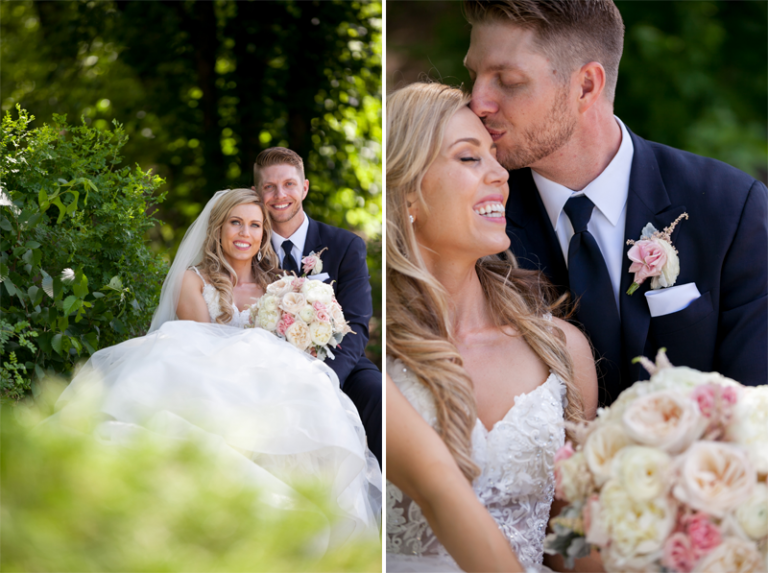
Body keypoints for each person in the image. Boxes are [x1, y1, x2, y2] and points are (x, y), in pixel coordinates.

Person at [462, 0, 768, 406]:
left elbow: (755, 410)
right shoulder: (472, 222)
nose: (478, 102)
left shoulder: (731, 208)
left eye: (508, 80)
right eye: (474, 76)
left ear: (586, 86)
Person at [50, 188, 382, 546]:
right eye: (235, 223)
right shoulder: (193, 281)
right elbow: (196, 346)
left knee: (314, 400)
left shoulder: (280, 285)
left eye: (255, 225)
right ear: (218, 229)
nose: (244, 234)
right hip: (208, 381)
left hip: (268, 385)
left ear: (264, 234)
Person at [384, 82, 598, 573]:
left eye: (494, 157)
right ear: (408, 191)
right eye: (468, 158)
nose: (501, 174)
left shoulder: (560, 350)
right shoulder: (376, 355)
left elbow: (570, 542)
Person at [252, 147, 384, 470]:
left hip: (339, 366)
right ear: (257, 192)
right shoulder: (248, 245)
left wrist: (325, 382)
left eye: (289, 185)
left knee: (380, 394)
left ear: (305, 188)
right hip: (267, 371)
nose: (279, 195)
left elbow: (356, 324)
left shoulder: (344, 246)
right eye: (269, 187)